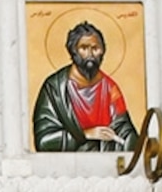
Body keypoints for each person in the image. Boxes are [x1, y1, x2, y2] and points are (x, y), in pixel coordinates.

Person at [32, 19, 138, 154]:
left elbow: (125, 132)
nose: (90, 55)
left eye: (95, 48)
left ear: (103, 51)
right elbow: (43, 142)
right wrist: (85, 135)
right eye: (83, 48)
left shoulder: (110, 88)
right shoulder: (54, 89)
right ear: (73, 51)